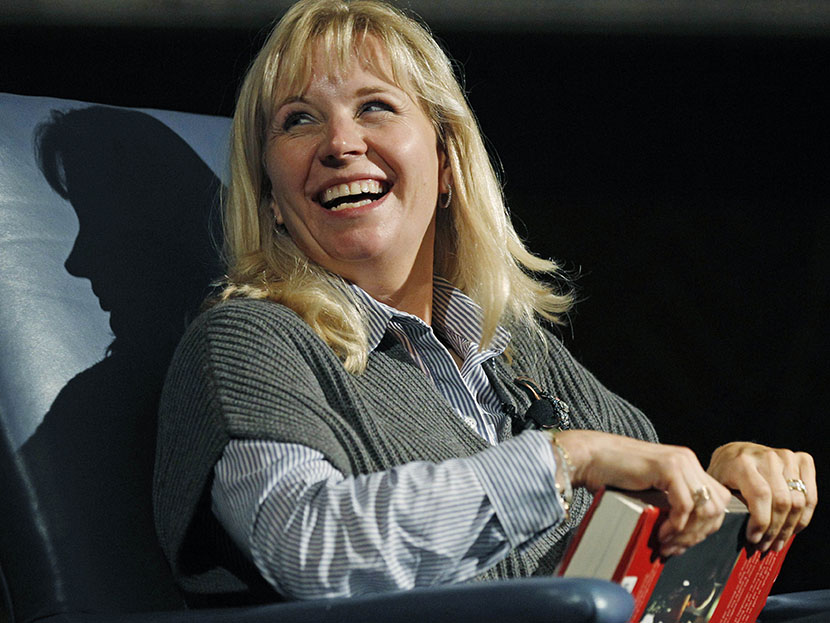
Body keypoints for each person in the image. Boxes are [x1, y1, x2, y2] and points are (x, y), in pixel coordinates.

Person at [153, 0, 817, 604]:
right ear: (270, 197)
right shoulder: (249, 341)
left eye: (375, 106)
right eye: (299, 120)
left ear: (446, 161)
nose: (340, 144)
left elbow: (655, 523)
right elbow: (309, 545)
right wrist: (563, 459)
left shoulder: (510, 342)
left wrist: (731, 487)